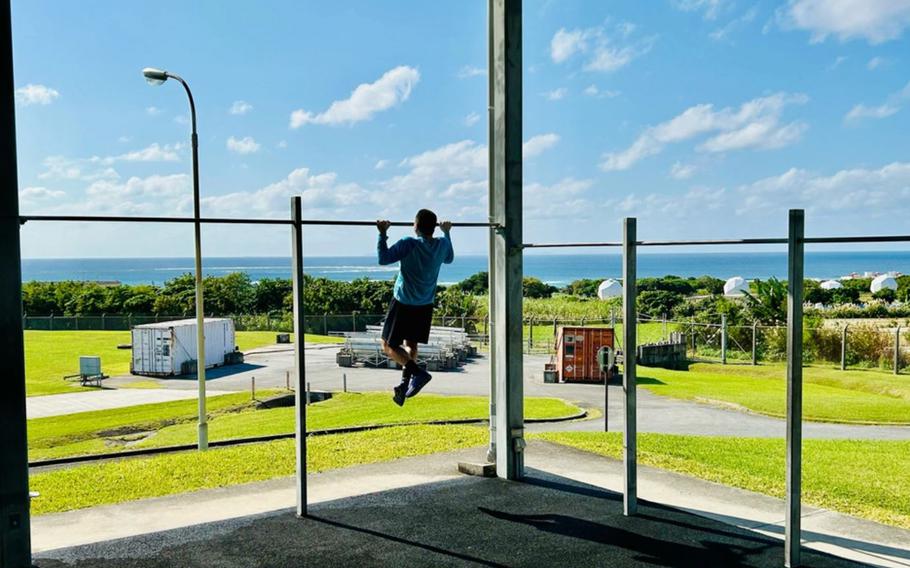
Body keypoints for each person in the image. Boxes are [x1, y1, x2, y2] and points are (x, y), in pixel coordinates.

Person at [377, 209, 454, 406]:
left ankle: (418, 374)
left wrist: (382, 232)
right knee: (411, 344)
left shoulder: (408, 243)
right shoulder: (442, 245)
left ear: (415, 226)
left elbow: (383, 259)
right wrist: (446, 233)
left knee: (388, 346)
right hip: (424, 304)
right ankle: (404, 384)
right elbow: (449, 259)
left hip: (403, 302)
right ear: (433, 227)